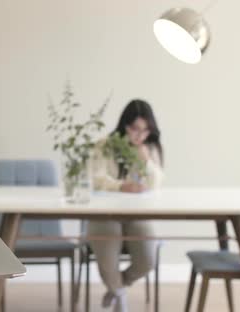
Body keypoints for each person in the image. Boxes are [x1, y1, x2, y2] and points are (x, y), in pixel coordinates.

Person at [87, 99, 164, 312]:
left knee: (148, 259)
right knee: (107, 258)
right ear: (125, 126)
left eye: (145, 130)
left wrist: (145, 160)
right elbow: (96, 178)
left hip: (138, 214)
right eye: (135, 129)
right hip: (105, 214)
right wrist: (122, 186)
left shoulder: (149, 148)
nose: (139, 135)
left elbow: (155, 183)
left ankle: (116, 288)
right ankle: (120, 299)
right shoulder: (105, 145)